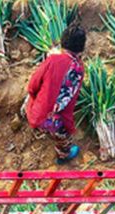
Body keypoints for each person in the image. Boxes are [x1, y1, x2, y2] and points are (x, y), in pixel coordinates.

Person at [24, 25, 87, 163]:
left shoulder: (52, 60)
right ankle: (63, 155)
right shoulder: (79, 69)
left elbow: (32, 85)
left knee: (35, 98)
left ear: (62, 42)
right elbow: (70, 100)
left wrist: (34, 98)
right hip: (54, 123)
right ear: (81, 49)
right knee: (64, 134)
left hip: (35, 114)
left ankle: (28, 119)